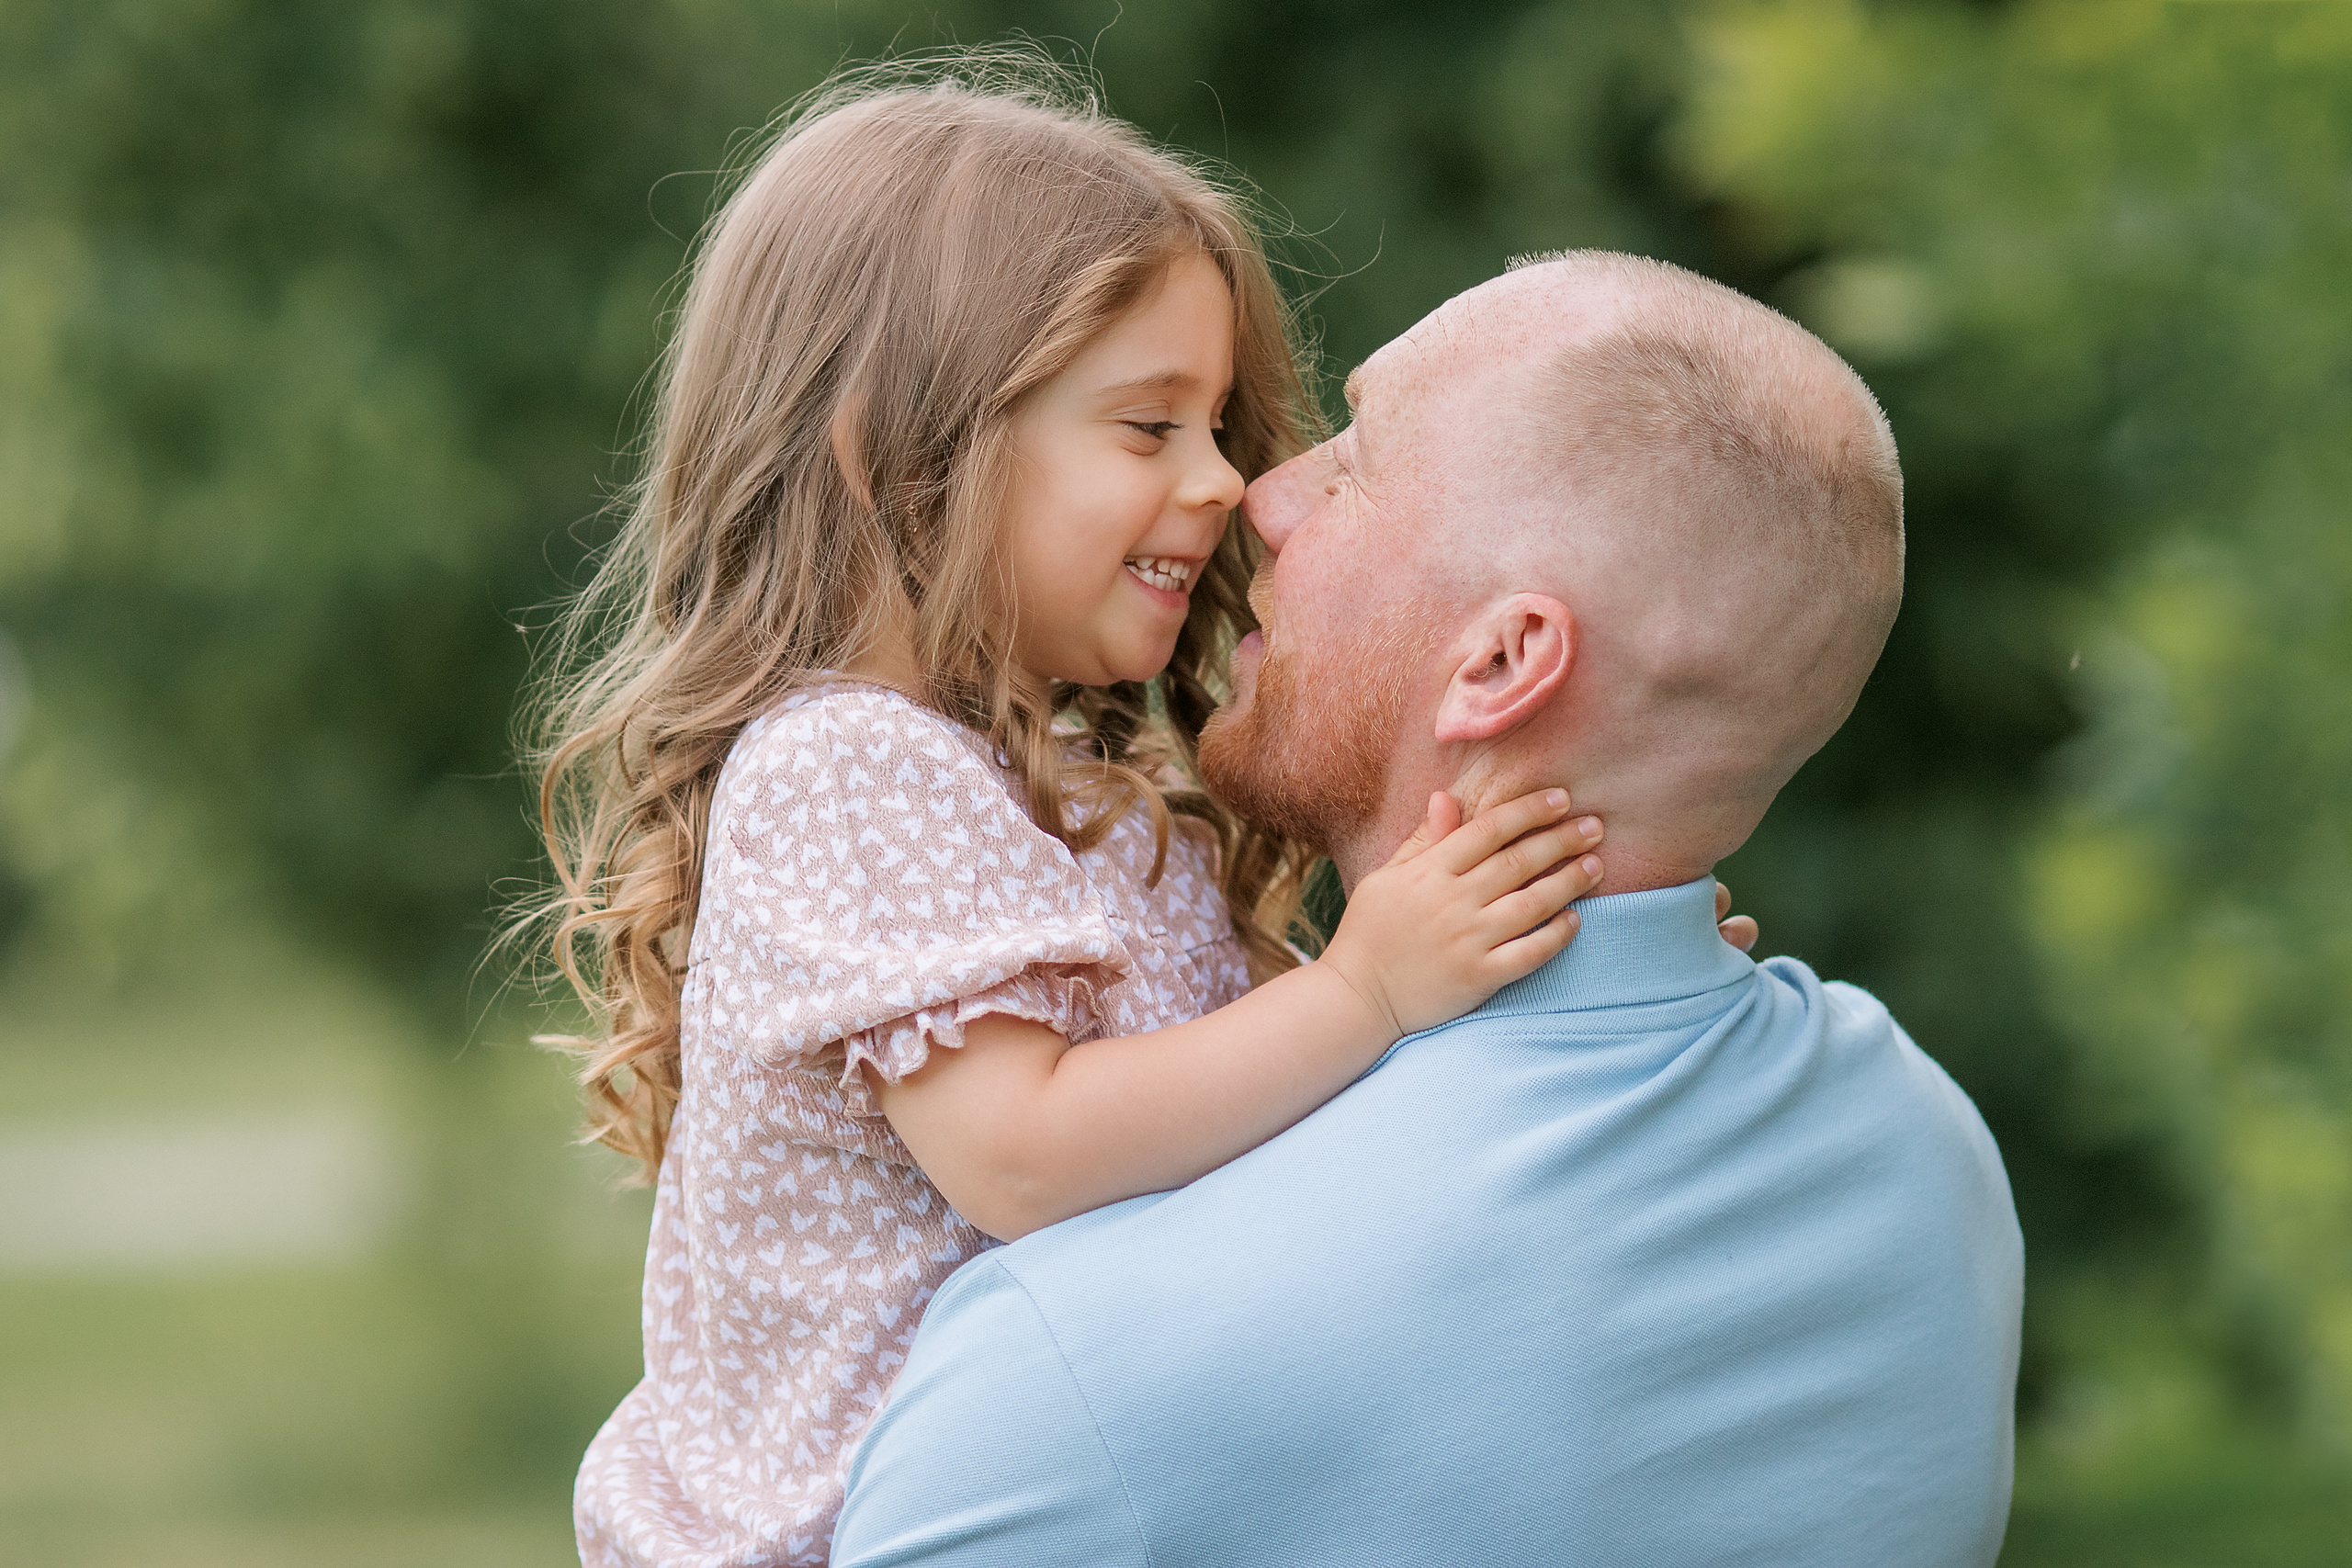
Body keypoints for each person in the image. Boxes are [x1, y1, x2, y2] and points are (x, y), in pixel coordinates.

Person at [533, 68, 1752, 1568]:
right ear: (891, 449)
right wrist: (1373, 984)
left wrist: (1546, 986)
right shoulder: (843, 769)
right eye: (1147, 426)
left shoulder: (1065, 801)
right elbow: (1028, 1157)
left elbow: (1301, 1123)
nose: (1226, 479)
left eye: (1217, 423)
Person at [831, 252, 2025, 1567]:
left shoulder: (1075, 1366)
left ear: (1504, 662)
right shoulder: (1931, 1159)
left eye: (1355, 467)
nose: (1262, 495)